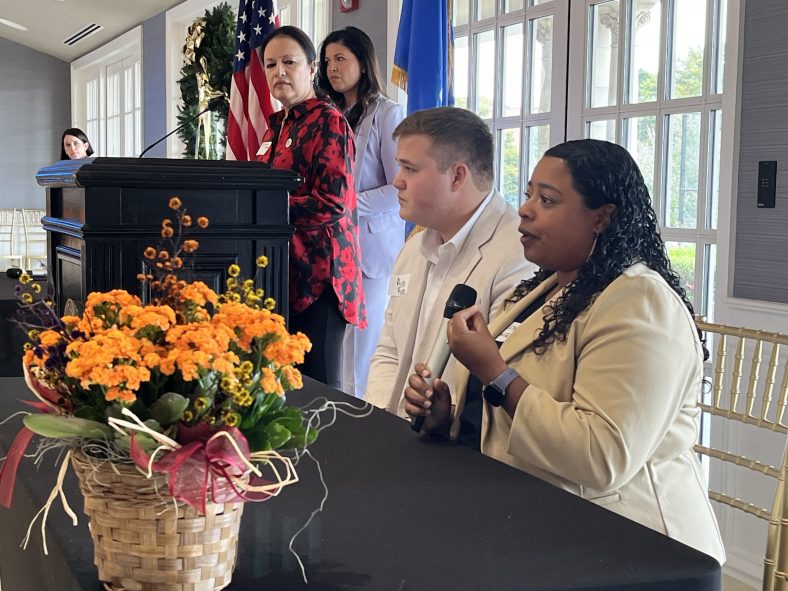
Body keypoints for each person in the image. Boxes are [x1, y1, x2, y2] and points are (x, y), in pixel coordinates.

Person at [403, 139, 725, 563]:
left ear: (601, 217)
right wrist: (449, 418)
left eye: (548, 199)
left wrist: (495, 374)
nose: (526, 209)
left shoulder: (641, 303)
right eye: (529, 194)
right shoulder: (543, 287)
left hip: (629, 548)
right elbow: (516, 410)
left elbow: (601, 456)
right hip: (531, 518)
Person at [364, 107, 536, 417]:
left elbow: (500, 381)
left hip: (461, 447)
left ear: (457, 176)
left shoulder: (520, 257)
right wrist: (381, 422)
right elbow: (390, 350)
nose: (397, 182)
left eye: (410, 169)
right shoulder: (413, 249)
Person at [257, 26, 365, 389]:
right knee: (283, 387)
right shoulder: (274, 128)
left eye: (289, 62)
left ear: (311, 67)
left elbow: (332, 202)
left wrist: (264, 208)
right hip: (283, 274)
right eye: (271, 65)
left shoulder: (328, 121)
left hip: (321, 278)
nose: (279, 72)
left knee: (318, 390)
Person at [317, 27, 406, 398]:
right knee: (334, 347)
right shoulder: (327, 114)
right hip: (331, 248)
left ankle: (363, 419)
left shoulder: (388, 113)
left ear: (363, 63)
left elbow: (398, 187)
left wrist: (346, 208)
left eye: (341, 59)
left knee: (364, 348)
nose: (332, 68)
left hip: (370, 247)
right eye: (327, 61)